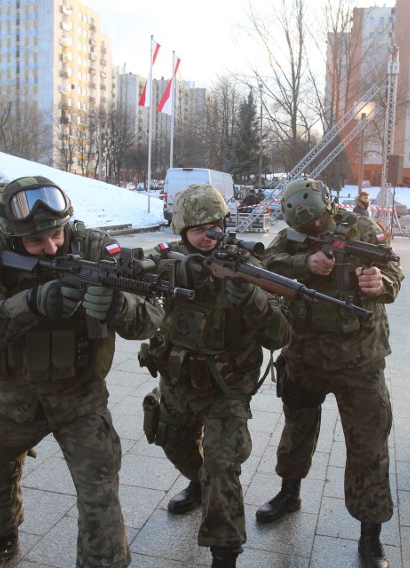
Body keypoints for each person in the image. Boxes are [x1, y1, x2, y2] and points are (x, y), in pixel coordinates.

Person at [0, 176, 164, 568]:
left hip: (79, 399)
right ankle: (2, 539)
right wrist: (29, 303)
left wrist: (119, 306)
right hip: (10, 399)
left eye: (56, 235)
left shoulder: (96, 247)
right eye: (36, 242)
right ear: (14, 237)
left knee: (100, 491)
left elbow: (149, 316)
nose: (50, 246)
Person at [142, 184, 292, 568]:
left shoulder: (245, 267)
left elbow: (280, 336)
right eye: (198, 230)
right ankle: (198, 482)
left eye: (215, 227)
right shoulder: (168, 260)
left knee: (222, 464)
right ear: (181, 231)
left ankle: (225, 553)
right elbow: (137, 279)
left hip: (228, 385)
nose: (208, 237)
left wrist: (253, 299)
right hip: (177, 378)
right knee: (172, 441)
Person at [256, 178, 403, 568]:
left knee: (368, 442)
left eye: (318, 221)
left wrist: (380, 283)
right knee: (297, 427)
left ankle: (370, 531)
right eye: (306, 227)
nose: (313, 228)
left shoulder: (363, 230)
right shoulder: (291, 236)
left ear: (327, 207)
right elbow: (263, 263)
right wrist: (304, 262)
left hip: (359, 358)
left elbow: (394, 272)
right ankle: (290, 492)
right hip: (304, 353)